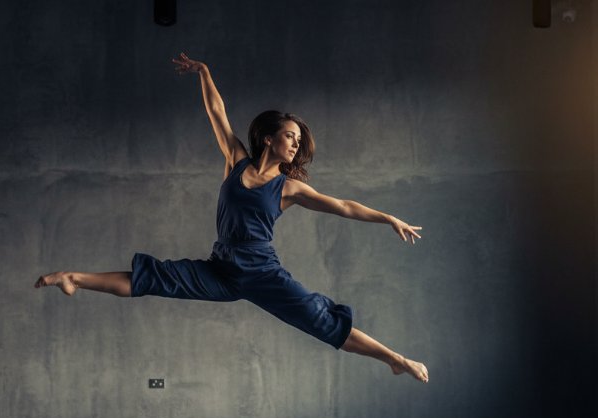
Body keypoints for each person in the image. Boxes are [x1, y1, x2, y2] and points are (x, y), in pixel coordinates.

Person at [36, 52, 429, 383]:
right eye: (290, 135)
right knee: (156, 277)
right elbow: (217, 112)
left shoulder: (289, 189)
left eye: (298, 139)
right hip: (222, 266)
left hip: (261, 271)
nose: (295, 143)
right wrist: (204, 73)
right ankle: (74, 278)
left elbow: (343, 206)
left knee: (319, 319)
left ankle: (395, 359)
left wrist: (388, 217)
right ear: (268, 138)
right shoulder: (236, 160)